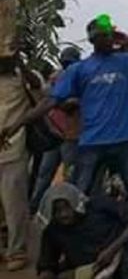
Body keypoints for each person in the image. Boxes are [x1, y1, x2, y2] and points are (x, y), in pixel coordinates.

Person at [1, 19, 128, 210]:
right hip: (92, 143)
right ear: (93, 40)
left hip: (126, 141)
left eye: (110, 34)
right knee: (79, 197)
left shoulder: (127, 61)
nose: (109, 38)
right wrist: (16, 125)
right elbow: (50, 102)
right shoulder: (79, 69)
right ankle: (83, 236)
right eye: (104, 35)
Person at [29, 47, 82, 214]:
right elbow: (56, 101)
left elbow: (64, 103)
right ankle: (35, 207)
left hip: (71, 134)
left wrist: (59, 101)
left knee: (67, 175)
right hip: (57, 133)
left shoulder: (78, 77)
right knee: (46, 174)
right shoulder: (57, 77)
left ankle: (66, 210)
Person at [0, 53, 33, 271]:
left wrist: (22, 65)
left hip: (13, 149)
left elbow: (42, 94)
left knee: (14, 205)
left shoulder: (24, 78)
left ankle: (16, 251)